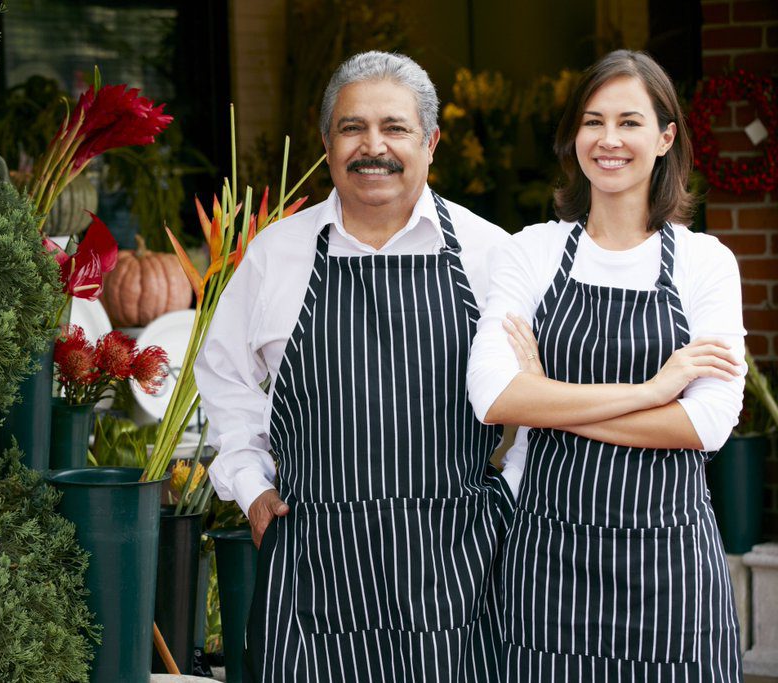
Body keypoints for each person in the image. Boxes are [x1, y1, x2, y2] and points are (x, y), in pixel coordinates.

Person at [195, 51, 519, 682]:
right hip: (314, 566)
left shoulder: (490, 255)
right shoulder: (276, 255)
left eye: (395, 128)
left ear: (431, 141)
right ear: (325, 143)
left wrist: (509, 496)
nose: (374, 147)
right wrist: (251, 486)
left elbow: (538, 393)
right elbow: (223, 377)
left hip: (456, 569)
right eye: (352, 128)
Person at [467, 49, 745, 680]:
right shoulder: (532, 251)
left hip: (669, 572)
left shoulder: (706, 263)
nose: (609, 139)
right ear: (574, 136)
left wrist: (546, 398)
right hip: (549, 563)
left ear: (665, 137)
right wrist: (654, 389)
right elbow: (492, 396)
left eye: (629, 121)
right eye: (593, 121)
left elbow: (705, 425)